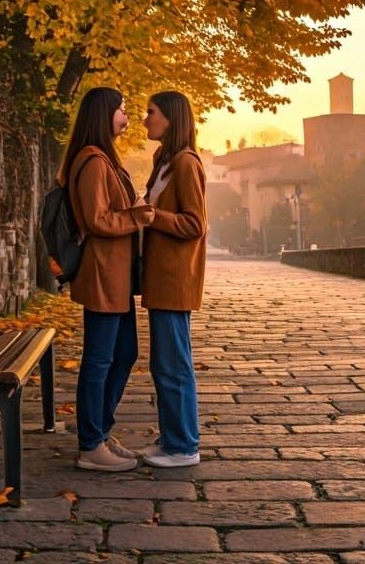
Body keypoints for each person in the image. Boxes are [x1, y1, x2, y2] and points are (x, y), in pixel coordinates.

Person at [59, 86, 154, 471]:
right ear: (104, 114)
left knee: (125, 353)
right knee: (99, 359)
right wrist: (137, 217)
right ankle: (90, 445)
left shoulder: (105, 159)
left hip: (116, 274)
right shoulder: (94, 161)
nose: (127, 116)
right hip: (102, 272)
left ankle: (100, 431)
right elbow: (97, 220)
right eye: (122, 109)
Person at [140, 90, 208, 467]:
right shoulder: (164, 160)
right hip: (161, 277)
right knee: (163, 363)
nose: (146, 119)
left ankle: (183, 446)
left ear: (171, 117)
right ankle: (172, 438)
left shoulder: (186, 163)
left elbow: (195, 224)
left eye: (151, 112)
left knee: (174, 364)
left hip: (175, 279)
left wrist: (152, 216)